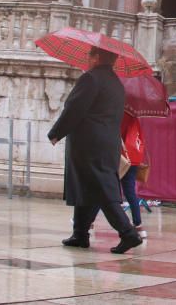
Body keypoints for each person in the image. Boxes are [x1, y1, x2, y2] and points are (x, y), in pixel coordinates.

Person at [47, 47, 143, 254]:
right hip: (108, 143)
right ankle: (80, 234)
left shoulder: (90, 79)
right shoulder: (116, 83)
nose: (87, 59)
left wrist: (56, 133)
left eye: (89, 55)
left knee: (102, 189)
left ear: (97, 58)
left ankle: (128, 233)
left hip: (88, 143)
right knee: (86, 185)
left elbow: (74, 108)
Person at [120, 109, 147, 238]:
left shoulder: (119, 114)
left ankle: (89, 223)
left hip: (121, 158)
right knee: (130, 193)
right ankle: (139, 225)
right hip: (134, 158)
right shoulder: (134, 115)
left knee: (105, 191)